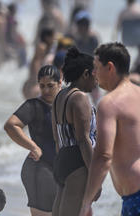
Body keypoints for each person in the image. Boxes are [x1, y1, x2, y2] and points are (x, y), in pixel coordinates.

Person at [80, 43, 140, 216]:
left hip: (135, 197)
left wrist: (86, 202)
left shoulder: (109, 103)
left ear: (110, 67)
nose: (94, 73)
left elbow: (103, 157)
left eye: (97, 67)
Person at [4, 65, 62, 216]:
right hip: (39, 170)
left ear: (60, 83)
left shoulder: (66, 104)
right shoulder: (34, 105)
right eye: (42, 86)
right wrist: (33, 146)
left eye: (51, 86)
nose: (46, 90)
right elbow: (11, 125)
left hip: (59, 170)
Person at [51, 47, 97, 216]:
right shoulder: (80, 98)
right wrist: (95, 178)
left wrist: (62, 163)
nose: (97, 79)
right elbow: (84, 140)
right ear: (85, 74)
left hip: (62, 160)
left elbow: (57, 137)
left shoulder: (59, 96)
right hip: (78, 163)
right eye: (95, 74)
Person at [22, 28, 55, 99]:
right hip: (33, 85)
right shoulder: (42, 47)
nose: (54, 39)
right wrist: (37, 83)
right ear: (47, 37)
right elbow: (36, 63)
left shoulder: (47, 49)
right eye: (52, 37)